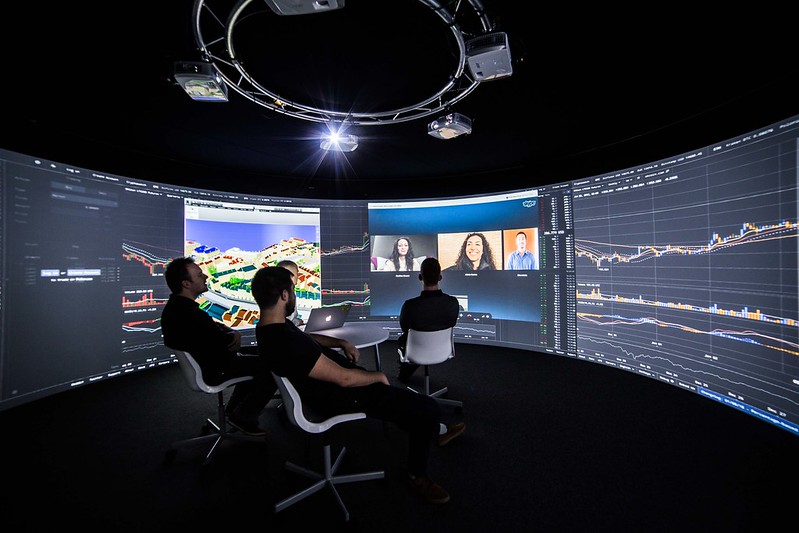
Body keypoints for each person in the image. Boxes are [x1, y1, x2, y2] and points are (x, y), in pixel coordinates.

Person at [251, 266, 465, 504]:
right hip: (339, 396)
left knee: (404, 404)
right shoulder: (287, 341)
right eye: (292, 290)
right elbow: (344, 378)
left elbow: (307, 338)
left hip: (329, 388)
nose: (294, 294)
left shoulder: (270, 328)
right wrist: (377, 377)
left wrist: (340, 342)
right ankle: (417, 474)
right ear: (284, 295)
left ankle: (433, 430)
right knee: (427, 407)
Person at [160, 256, 275, 436]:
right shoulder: (191, 315)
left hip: (208, 362)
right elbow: (227, 345)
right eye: (199, 275)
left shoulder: (177, 308)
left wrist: (232, 332)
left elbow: (216, 327)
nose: (205, 276)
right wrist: (233, 336)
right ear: (186, 283)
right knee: (272, 366)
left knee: (255, 357)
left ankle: (234, 412)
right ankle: (243, 416)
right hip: (215, 369)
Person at [396, 257, 460, 383]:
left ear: (420, 277)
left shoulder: (410, 305)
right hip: (443, 351)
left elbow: (404, 328)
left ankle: (404, 375)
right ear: (440, 277)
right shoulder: (453, 302)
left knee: (403, 339)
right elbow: (452, 323)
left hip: (415, 352)